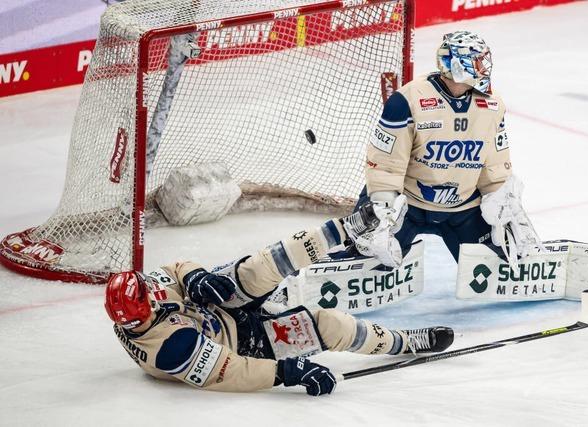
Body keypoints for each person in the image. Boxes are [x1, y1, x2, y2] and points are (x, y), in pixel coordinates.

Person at [105, 203, 454, 396]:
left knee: (260, 267)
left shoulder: (138, 299)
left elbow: (176, 267)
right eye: (150, 299)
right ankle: (406, 342)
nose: (154, 294)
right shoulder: (171, 349)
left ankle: (349, 228)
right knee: (330, 325)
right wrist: (287, 371)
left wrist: (196, 278)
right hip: (246, 344)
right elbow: (232, 372)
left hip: (215, 308)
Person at [361, 30, 542, 265]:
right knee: (373, 263)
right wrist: (383, 211)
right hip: (409, 206)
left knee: (499, 266)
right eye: (477, 60)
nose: (484, 67)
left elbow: (495, 164)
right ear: (457, 64)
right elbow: (385, 165)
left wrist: (502, 201)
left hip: (463, 209)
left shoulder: (493, 104)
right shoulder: (407, 100)